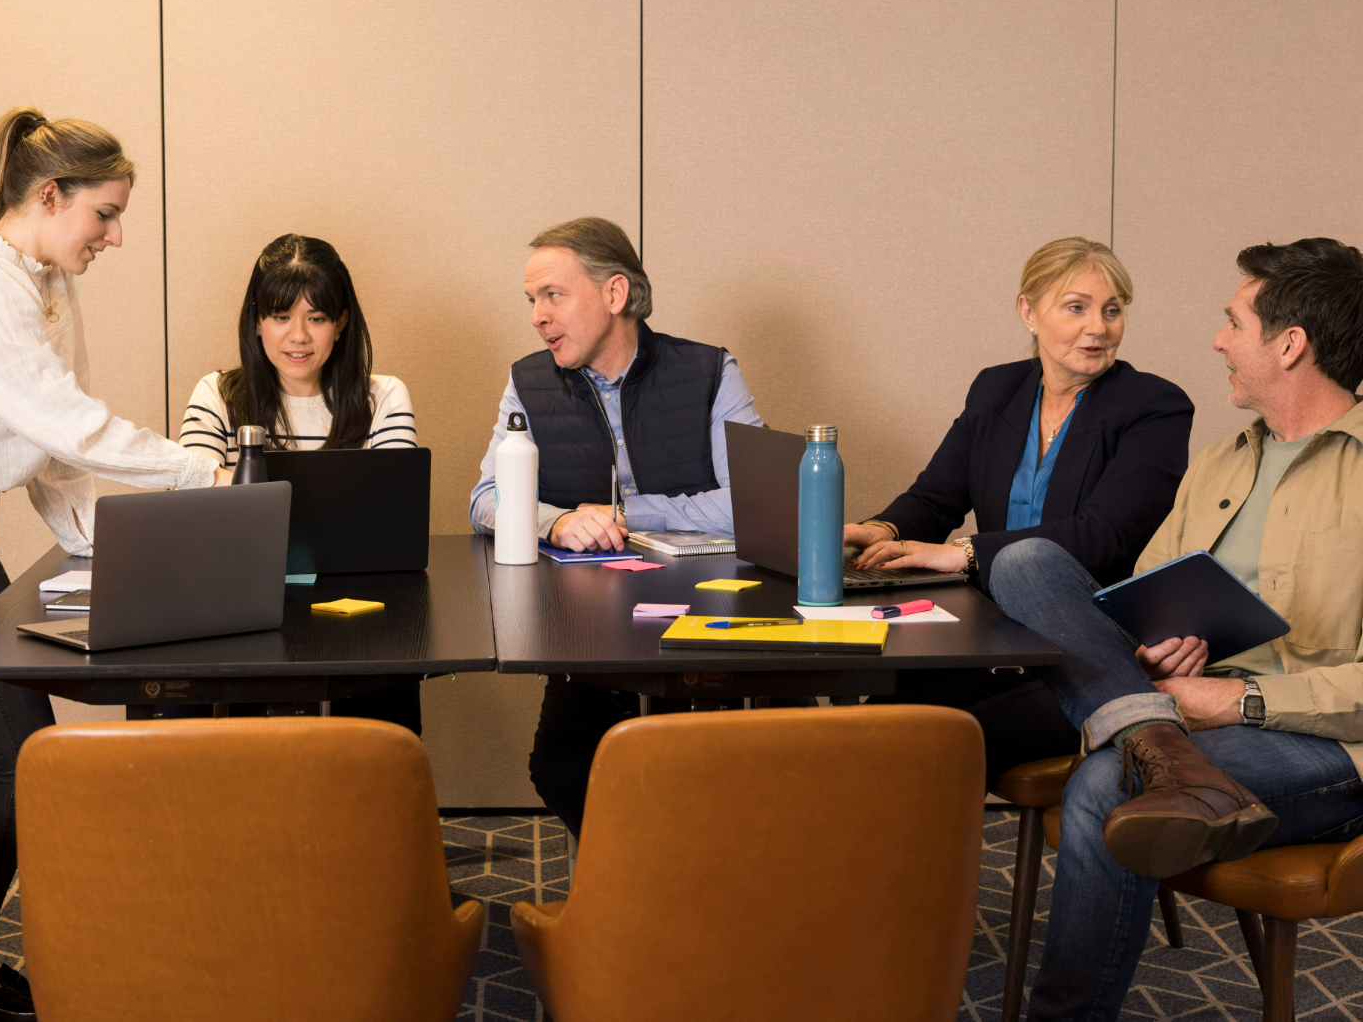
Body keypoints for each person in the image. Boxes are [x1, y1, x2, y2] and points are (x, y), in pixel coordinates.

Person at [988, 237, 1363, 1021]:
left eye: (1234, 323)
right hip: (1182, 705)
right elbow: (1141, 595)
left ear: (1290, 344)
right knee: (1024, 563)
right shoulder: (1225, 460)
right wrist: (1158, 640)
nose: (1219, 340)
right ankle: (1157, 741)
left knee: (1105, 783)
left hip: (1324, 743)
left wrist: (1235, 701)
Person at [0, 107, 227, 1018]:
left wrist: (114, 558)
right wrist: (197, 472)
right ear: (50, 197)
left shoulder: (49, 279)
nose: (117, 235)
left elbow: (54, 454)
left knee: (28, 755)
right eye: (105, 213)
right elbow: (67, 423)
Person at [849, 238, 1194, 784]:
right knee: (848, 726)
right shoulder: (998, 387)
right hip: (987, 637)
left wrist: (963, 554)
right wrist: (874, 529)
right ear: (1028, 311)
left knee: (892, 744)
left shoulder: (1154, 406)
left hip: (1085, 657)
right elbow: (938, 493)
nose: (1098, 328)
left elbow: (1105, 536)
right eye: (1076, 307)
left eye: (1112, 310)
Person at [469, 217, 764, 833]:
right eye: (531, 300)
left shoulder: (710, 371)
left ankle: (687, 895)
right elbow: (484, 499)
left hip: (704, 618)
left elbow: (756, 503)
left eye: (553, 295)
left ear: (615, 293)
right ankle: (629, 900)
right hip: (587, 625)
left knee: (710, 771)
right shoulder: (528, 382)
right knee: (562, 765)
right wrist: (558, 522)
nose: (537, 317)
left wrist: (631, 516)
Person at [180, 234, 422, 731]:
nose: (298, 337)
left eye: (316, 318)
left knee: (380, 737)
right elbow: (190, 503)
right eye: (280, 316)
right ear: (256, 321)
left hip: (359, 600)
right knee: (257, 749)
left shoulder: (383, 397)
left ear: (341, 323)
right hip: (245, 599)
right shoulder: (219, 394)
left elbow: (394, 519)